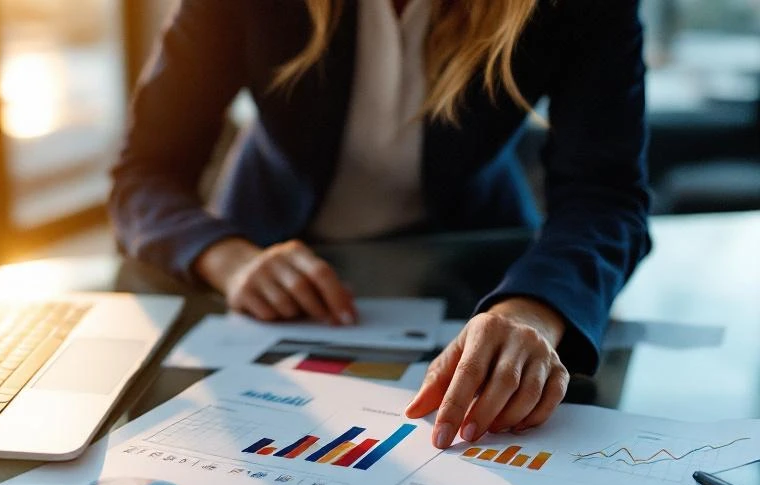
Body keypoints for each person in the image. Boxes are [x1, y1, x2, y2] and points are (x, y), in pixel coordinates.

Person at [109, 0, 650, 450]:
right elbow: (145, 175)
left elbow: (605, 193)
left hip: (474, 269)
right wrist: (228, 257)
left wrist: (536, 307)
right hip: (268, 268)